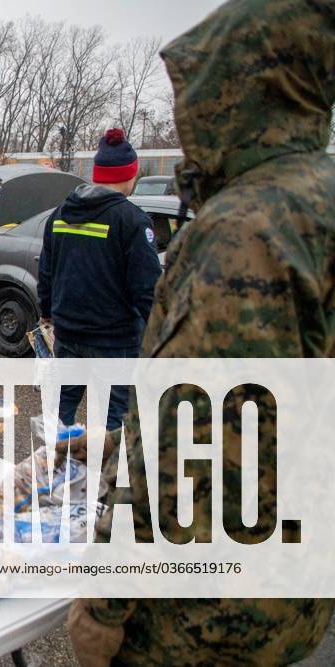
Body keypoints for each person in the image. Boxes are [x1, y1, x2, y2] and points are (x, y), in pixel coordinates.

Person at [67, 1, 335, 665]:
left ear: (236, 90)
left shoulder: (244, 227)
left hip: (203, 611)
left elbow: (179, 444)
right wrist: (111, 441)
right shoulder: (318, 197)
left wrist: (101, 603)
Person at [36, 127, 161, 431]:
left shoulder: (61, 214)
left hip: (68, 336)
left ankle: (50, 471)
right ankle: (104, 476)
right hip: (114, 342)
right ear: (130, 176)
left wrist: (48, 314)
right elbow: (147, 291)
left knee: (59, 413)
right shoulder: (132, 221)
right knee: (114, 420)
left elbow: (47, 273)